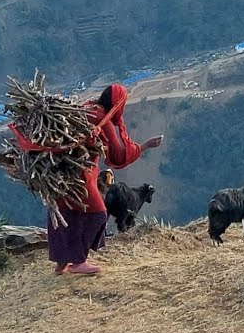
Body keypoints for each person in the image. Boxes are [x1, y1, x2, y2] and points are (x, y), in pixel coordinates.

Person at [48, 83, 162, 276]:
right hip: (80, 178)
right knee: (97, 215)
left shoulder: (86, 108)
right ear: (117, 105)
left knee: (65, 214)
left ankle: (61, 263)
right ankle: (78, 262)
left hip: (59, 175)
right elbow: (118, 156)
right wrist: (145, 146)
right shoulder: (102, 119)